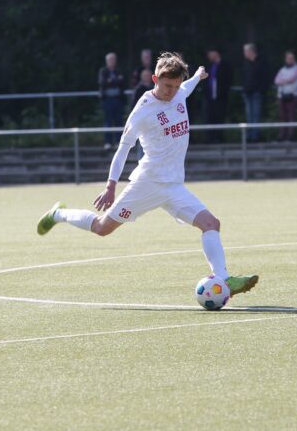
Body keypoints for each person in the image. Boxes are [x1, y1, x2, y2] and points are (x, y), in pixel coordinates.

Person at [36, 52, 259, 298]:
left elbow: (186, 87)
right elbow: (123, 148)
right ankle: (58, 214)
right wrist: (111, 185)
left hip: (174, 186)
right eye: (167, 86)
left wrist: (197, 75)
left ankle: (224, 278)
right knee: (101, 228)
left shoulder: (179, 92)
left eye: (175, 86)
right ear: (155, 79)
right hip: (147, 184)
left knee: (211, 224)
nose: (171, 92)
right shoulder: (143, 111)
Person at [241, 43, 271, 142]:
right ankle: (250, 136)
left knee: (256, 115)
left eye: (245, 51)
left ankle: (255, 136)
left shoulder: (262, 62)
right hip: (247, 93)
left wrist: (261, 90)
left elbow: (266, 78)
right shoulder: (246, 63)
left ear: (251, 51)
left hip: (257, 93)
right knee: (249, 115)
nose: (244, 53)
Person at [203, 48, 233, 144]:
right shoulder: (209, 66)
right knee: (210, 117)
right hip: (210, 97)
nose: (209, 57)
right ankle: (210, 138)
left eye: (210, 54)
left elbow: (228, 79)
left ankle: (219, 137)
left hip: (221, 96)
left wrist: (223, 91)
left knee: (220, 117)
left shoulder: (224, 65)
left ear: (216, 53)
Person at [98, 52, 126, 150]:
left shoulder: (118, 71)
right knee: (108, 121)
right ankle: (108, 142)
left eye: (113, 60)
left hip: (118, 99)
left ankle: (118, 142)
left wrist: (111, 81)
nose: (112, 62)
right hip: (107, 100)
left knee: (119, 121)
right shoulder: (103, 71)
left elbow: (122, 82)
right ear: (106, 61)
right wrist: (114, 81)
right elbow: (102, 82)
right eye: (110, 60)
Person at [274, 50, 297, 142]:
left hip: (293, 95)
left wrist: (283, 81)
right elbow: (276, 80)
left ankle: (291, 135)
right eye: (288, 58)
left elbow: (292, 79)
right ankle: (282, 135)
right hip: (282, 95)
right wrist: (285, 81)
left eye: (292, 58)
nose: (290, 60)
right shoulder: (282, 69)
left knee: (291, 115)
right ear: (285, 59)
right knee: (282, 116)